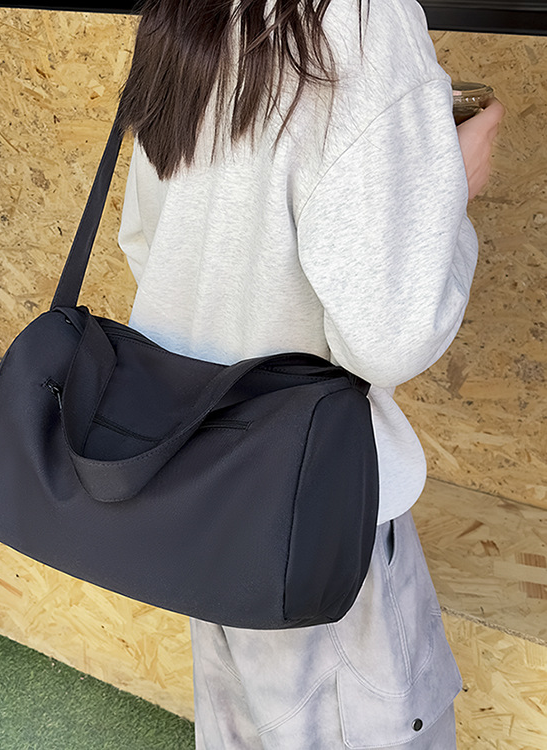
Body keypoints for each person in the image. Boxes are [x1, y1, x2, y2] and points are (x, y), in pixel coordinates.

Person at [115, 0, 505, 747]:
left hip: (200, 482)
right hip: (319, 504)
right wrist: (449, 189)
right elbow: (390, 336)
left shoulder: (186, 10)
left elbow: (146, 242)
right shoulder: (365, 20)